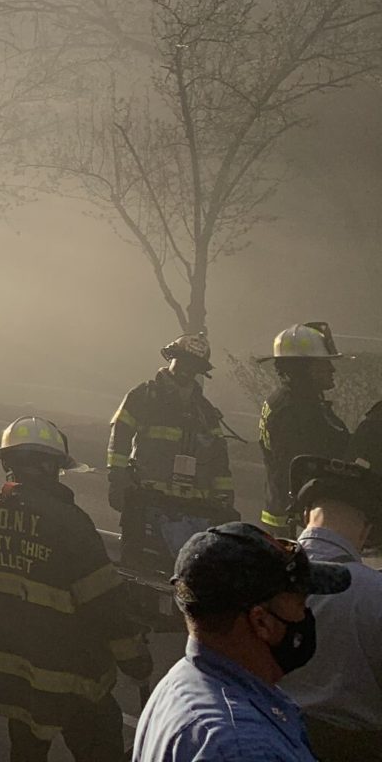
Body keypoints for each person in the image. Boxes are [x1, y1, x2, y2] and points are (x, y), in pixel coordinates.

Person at [0, 416, 150, 762]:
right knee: (101, 746)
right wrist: (136, 660)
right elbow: (105, 604)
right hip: (68, 678)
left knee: (26, 748)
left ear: (7, 462)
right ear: (54, 467)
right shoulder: (70, 522)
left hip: (7, 670)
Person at [132, 521, 351, 761]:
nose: (305, 614)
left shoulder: (182, 684)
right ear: (261, 622)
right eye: (300, 604)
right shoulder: (244, 747)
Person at [278, 455, 382, 759]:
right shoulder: (373, 593)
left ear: (306, 513)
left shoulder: (253, 572)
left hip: (262, 737)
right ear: (366, 530)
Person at [108, 332, 238, 569]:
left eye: (194, 366)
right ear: (171, 358)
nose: (186, 370)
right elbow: (120, 435)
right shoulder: (144, 396)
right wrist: (117, 477)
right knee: (138, 569)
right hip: (147, 501)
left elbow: (219, 459)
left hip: (193, 509)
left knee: (190, 574)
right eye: (182, 362)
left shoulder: (205, 412)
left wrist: (224, 499)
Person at [258, 322, 350, 532]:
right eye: (324, 364)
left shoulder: (296, 402)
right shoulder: (294, 409)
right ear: (303, 368)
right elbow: (310, 465)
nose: (332, 369)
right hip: (297, 523)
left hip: (289, 516)